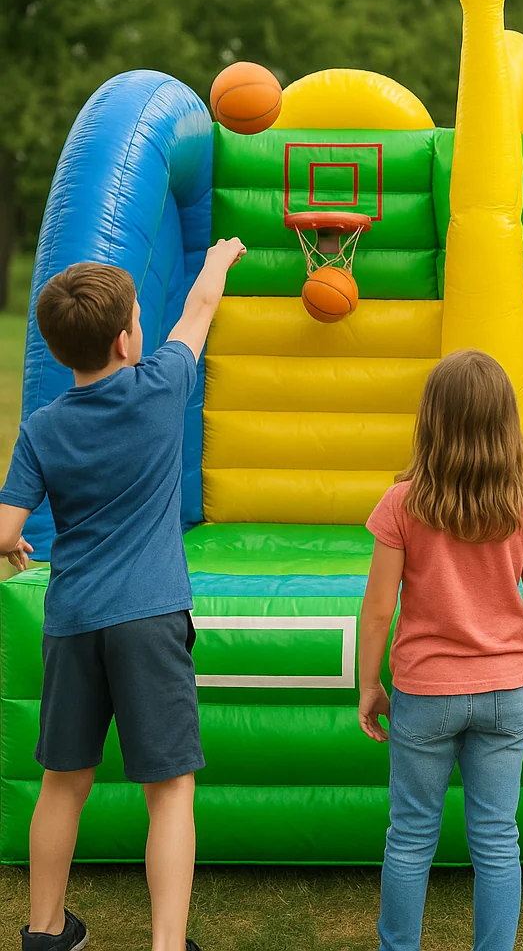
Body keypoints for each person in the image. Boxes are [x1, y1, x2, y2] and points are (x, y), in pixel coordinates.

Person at [0, 238, 247, 951]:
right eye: (137, 317)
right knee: (168, 791)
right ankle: (166, 944)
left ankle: (46, 931)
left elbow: (8, 527)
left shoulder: (43, 428)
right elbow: (199, 311)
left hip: (74, 622)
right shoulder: (160, 387)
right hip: (149, 619)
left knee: (63, 782)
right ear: (125, 339)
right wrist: (218, 259)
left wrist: (12, 544)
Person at [357, 349, 523, 951]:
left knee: (410, 837)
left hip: (424, 691)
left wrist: (369, 685)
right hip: (506, 689)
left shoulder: (403, 502)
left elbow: (378, 607)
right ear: (506, 423)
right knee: (497, 840)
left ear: (431, 420)